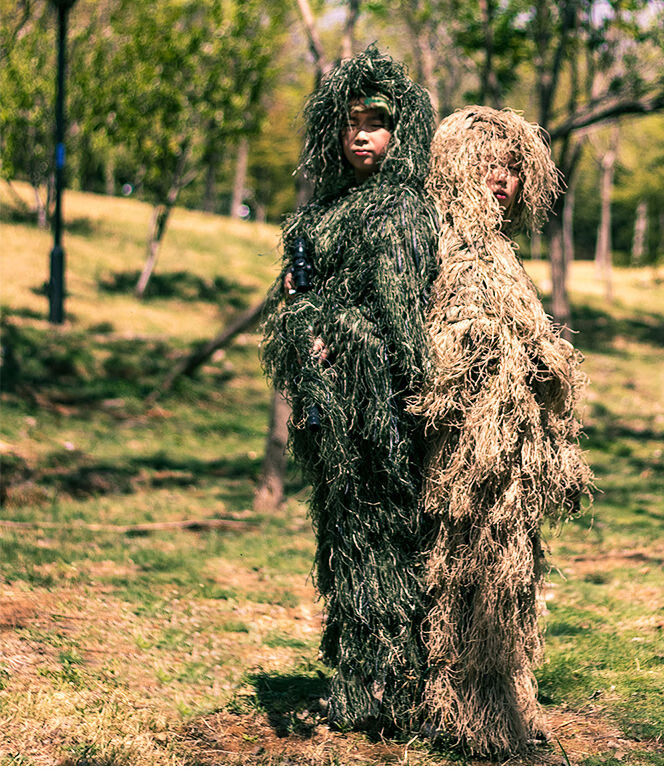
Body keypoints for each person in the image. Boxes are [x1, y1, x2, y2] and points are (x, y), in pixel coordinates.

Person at [260, 46, 438, 732]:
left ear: (401, 130)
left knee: (391, 545)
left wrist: (409, 392)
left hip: (385, 411)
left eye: (377, 121)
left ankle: (401, 689)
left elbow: (400, 317)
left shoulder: (402, 209)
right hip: (328, 412)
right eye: (351, 121)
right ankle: (360, 684)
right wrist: (303, 316)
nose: (362, 134)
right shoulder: (319, 217)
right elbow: (304, 298)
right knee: (344, 547)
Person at [411, 106, 593, 757]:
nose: (502, 178)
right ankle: (470, 714)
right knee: (468, 580)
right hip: (468, 462)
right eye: (489, 165)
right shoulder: (447, 248)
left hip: (514, 459)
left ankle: (510, 699)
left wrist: (547, 369)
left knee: (511, 584)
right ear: (456, 168)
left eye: (514, 168)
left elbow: (534, 349)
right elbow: (438, 345)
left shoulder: (504, 258)